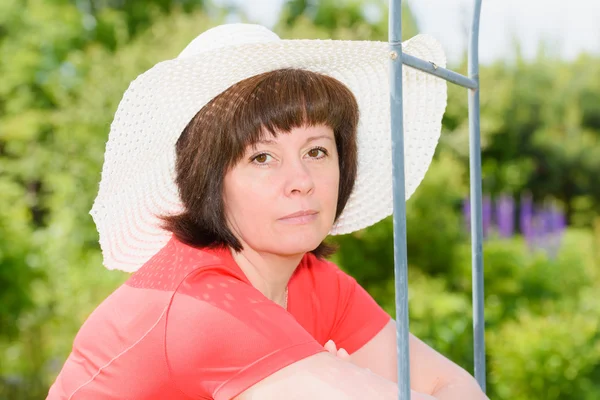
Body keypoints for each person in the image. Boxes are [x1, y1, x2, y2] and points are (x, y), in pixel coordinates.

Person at [47, 24, 488, 400]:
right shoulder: (201, 305)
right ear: (208, 180)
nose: (302, 180)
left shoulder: (318, 285)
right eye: (261, 158)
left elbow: (454, 386)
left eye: (317, 150)